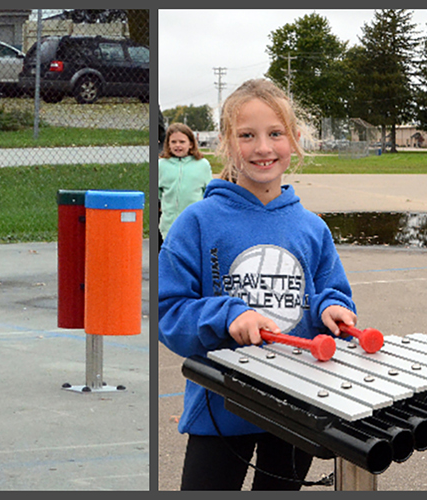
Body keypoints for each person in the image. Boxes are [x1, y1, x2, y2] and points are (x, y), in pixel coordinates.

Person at [158, 78, 360, 490]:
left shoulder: (312, 228)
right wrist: (227, 315)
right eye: (247, 136)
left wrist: (331, 309)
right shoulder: (196, 223)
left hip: (298, 403)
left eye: (275, 134)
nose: (263, 148)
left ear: (296, 140)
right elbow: (169, 312)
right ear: (227, 144)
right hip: (221, 406)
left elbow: (330, 291)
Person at [158, 122, 212, 249]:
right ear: (168, 144)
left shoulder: (202, 165)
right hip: (169, 225)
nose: (178, 145)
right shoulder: (161, 165)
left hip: (194, 224)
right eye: (173, 142)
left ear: (191, 144)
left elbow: (208, 193)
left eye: (182, 142)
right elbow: (158, 192)